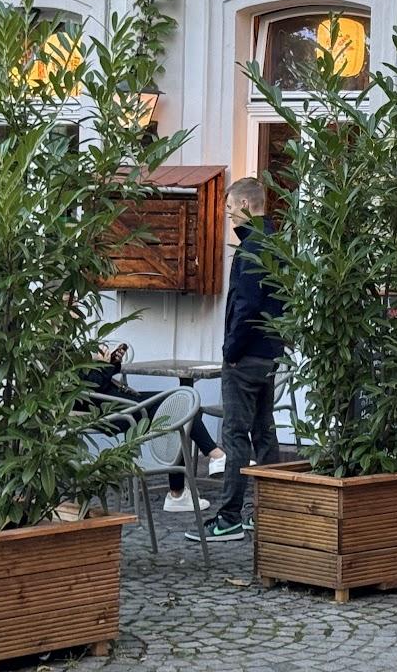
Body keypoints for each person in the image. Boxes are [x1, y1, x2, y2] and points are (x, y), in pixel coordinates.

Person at [189, 176, 284, 542]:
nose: (229, 217)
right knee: (264, 432)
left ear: (245, 206)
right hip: (269, 355)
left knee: (235, 434)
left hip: (244, 359)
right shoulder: (276, 245)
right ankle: (267, 512)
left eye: (230, 210)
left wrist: (230, 352)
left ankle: (228, 516)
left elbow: (246, 308)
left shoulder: (250, 250)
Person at [83, 341, 226, 512]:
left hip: (117, 403)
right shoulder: (60, 353)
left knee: (178, 404)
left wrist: (112, 363)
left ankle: (181, 490)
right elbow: (90, 388)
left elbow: (96, 382)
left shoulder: (67, 343)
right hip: (110, 412)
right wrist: (103, 365)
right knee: (179, 405)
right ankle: (210, 459)